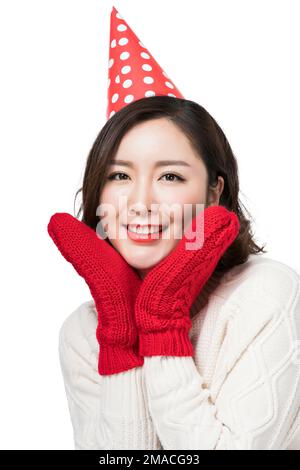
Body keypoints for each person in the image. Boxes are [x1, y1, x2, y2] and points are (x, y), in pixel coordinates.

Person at [47, 7, 300, 450]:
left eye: (170, 177)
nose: (141, 203)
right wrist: (121, 331)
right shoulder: (84, 332)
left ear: (214, 192)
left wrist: (162, 322)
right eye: (119, 176)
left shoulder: (264, 294)